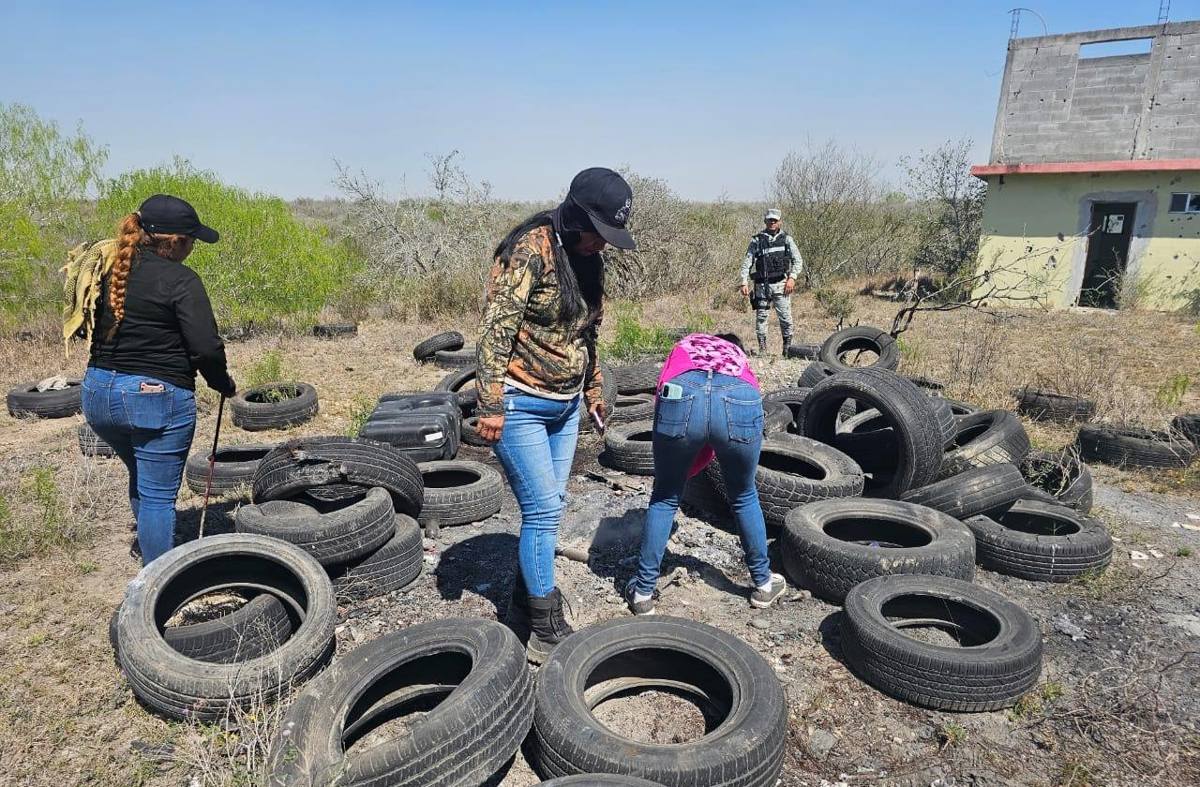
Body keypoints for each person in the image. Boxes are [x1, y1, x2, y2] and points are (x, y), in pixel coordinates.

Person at [474, 167, 635, 662]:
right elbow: (496, 330)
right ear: (576, 217)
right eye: (598, 234)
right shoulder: (530, 250)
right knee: (543, 510)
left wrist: (594, 388)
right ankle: (544, 626)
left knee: (551, 506)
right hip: (521, 402)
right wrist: (490, 403)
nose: (602, 246)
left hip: (565, 407)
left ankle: (525, 606)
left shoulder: (587, 260)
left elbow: (587, 333)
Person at [81, 195, 236, 565]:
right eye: (191, 240)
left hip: (97, 392)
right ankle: (158, 585)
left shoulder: (110, 269)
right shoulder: (181, 280)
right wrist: (222, 383)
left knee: (141, 472)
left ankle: (153, 549)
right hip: (153, 397)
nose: (193, 246)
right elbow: (206, 348)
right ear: (174, 241)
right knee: (158, 497)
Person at [625, 332, 786, 615]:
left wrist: (683, 464)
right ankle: (763, 583)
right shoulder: (737, 356)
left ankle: (642, 593)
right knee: (744, 494)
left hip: (682, 392)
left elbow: (661, 396)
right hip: (740, 395)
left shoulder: (687, 343)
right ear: (733, 345)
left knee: (665, 496)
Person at [739, 208, 804, 357]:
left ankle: (787, 350)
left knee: (786, 319)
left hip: (781, 285)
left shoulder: (787, 239)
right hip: (762, 286)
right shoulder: (757, 240)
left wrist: (792, 278)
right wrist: (743, 281)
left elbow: (798, 261)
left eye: (775, 220)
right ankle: (763, 350)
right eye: (769, 220)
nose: (772, 223)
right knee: (761, 318)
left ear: (780, 221)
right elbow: (747, 262)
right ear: (765, 221)